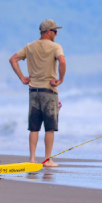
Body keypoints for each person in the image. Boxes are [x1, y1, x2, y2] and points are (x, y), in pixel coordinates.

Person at [9, 20, 66, 166]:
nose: (56, 34)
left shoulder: (30, 46)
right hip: (49, 91)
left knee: (34, 128)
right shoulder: (55, 47)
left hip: (33, 91)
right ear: (48, 32)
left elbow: (13, 59)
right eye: (54, 31)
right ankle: (47, 160)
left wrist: (22, 78)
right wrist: (60, 80)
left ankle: (32, 159)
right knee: (50, 128)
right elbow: (62, 62)